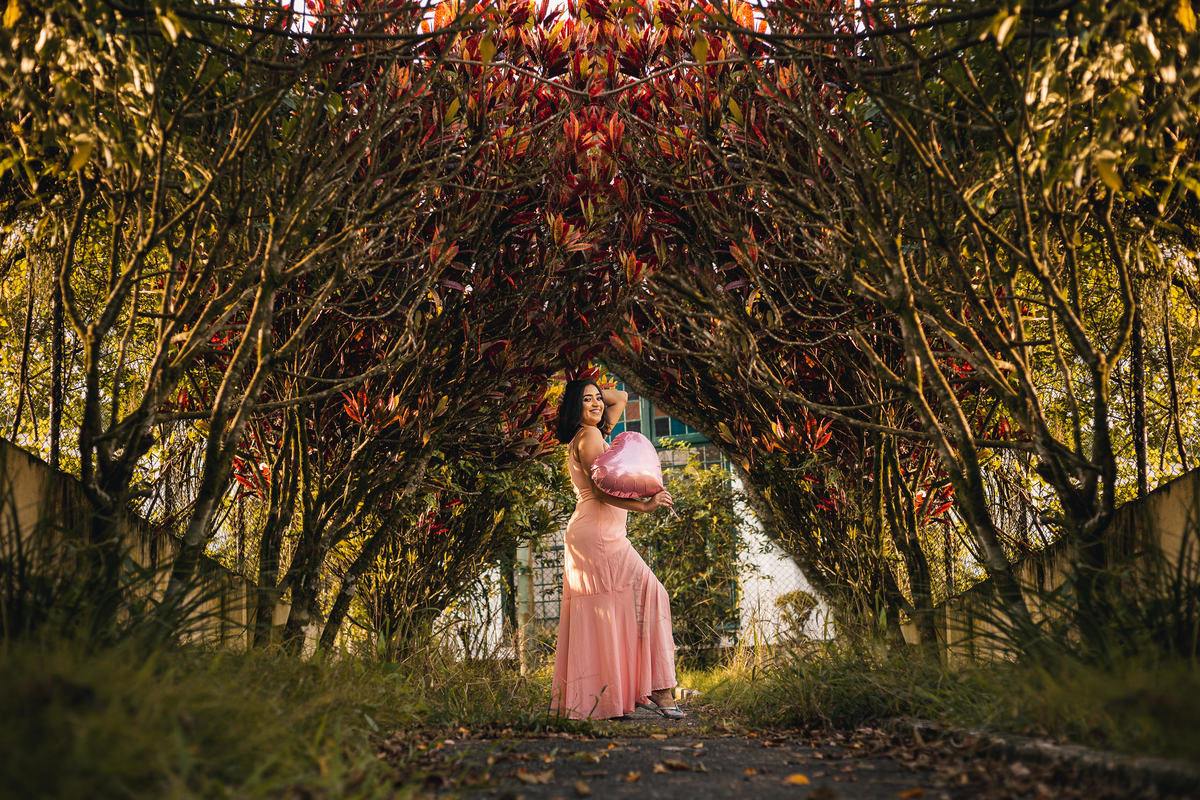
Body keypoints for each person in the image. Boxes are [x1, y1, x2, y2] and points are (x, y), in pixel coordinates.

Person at [550, 378, 685, 720]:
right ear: (574, 408)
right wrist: (644, 506)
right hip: (597, 534)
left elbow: (621, 396)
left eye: (597, 399)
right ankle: (659, 691)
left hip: (602, 532)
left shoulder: (591, 432)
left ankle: (616, 695)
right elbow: (598, 492)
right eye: (587, 401)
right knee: (652, 594)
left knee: (613, 611)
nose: (597, 404)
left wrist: (585, 390)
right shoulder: (589, 435)